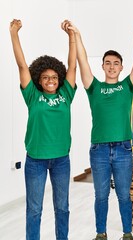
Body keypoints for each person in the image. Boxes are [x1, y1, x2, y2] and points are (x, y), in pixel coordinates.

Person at [67, 20, 133, 240]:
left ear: (121, 66)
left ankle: (127, 234)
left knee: (124, 196)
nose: (111, 66)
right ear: (103, 66)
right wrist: (77, 35)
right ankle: (101, 233)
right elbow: (82, 60)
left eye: (115, 63)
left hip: (123, 149)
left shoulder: (127, 86)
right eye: (107, 63)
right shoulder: (95, 87)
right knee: (101, 196)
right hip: (98, 150)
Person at [9, 19, 77, 240]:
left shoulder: (66, 95)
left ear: (59, 79)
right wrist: (14, 34)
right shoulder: (33, 96)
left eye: (54, 77)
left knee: (63, 209)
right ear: (39, 79)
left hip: (61, 161)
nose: (51, 80)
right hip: (36, 160)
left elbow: (73, 66)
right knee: (34, 210)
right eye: (46, 77)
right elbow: (21, 65)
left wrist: (71, 37)